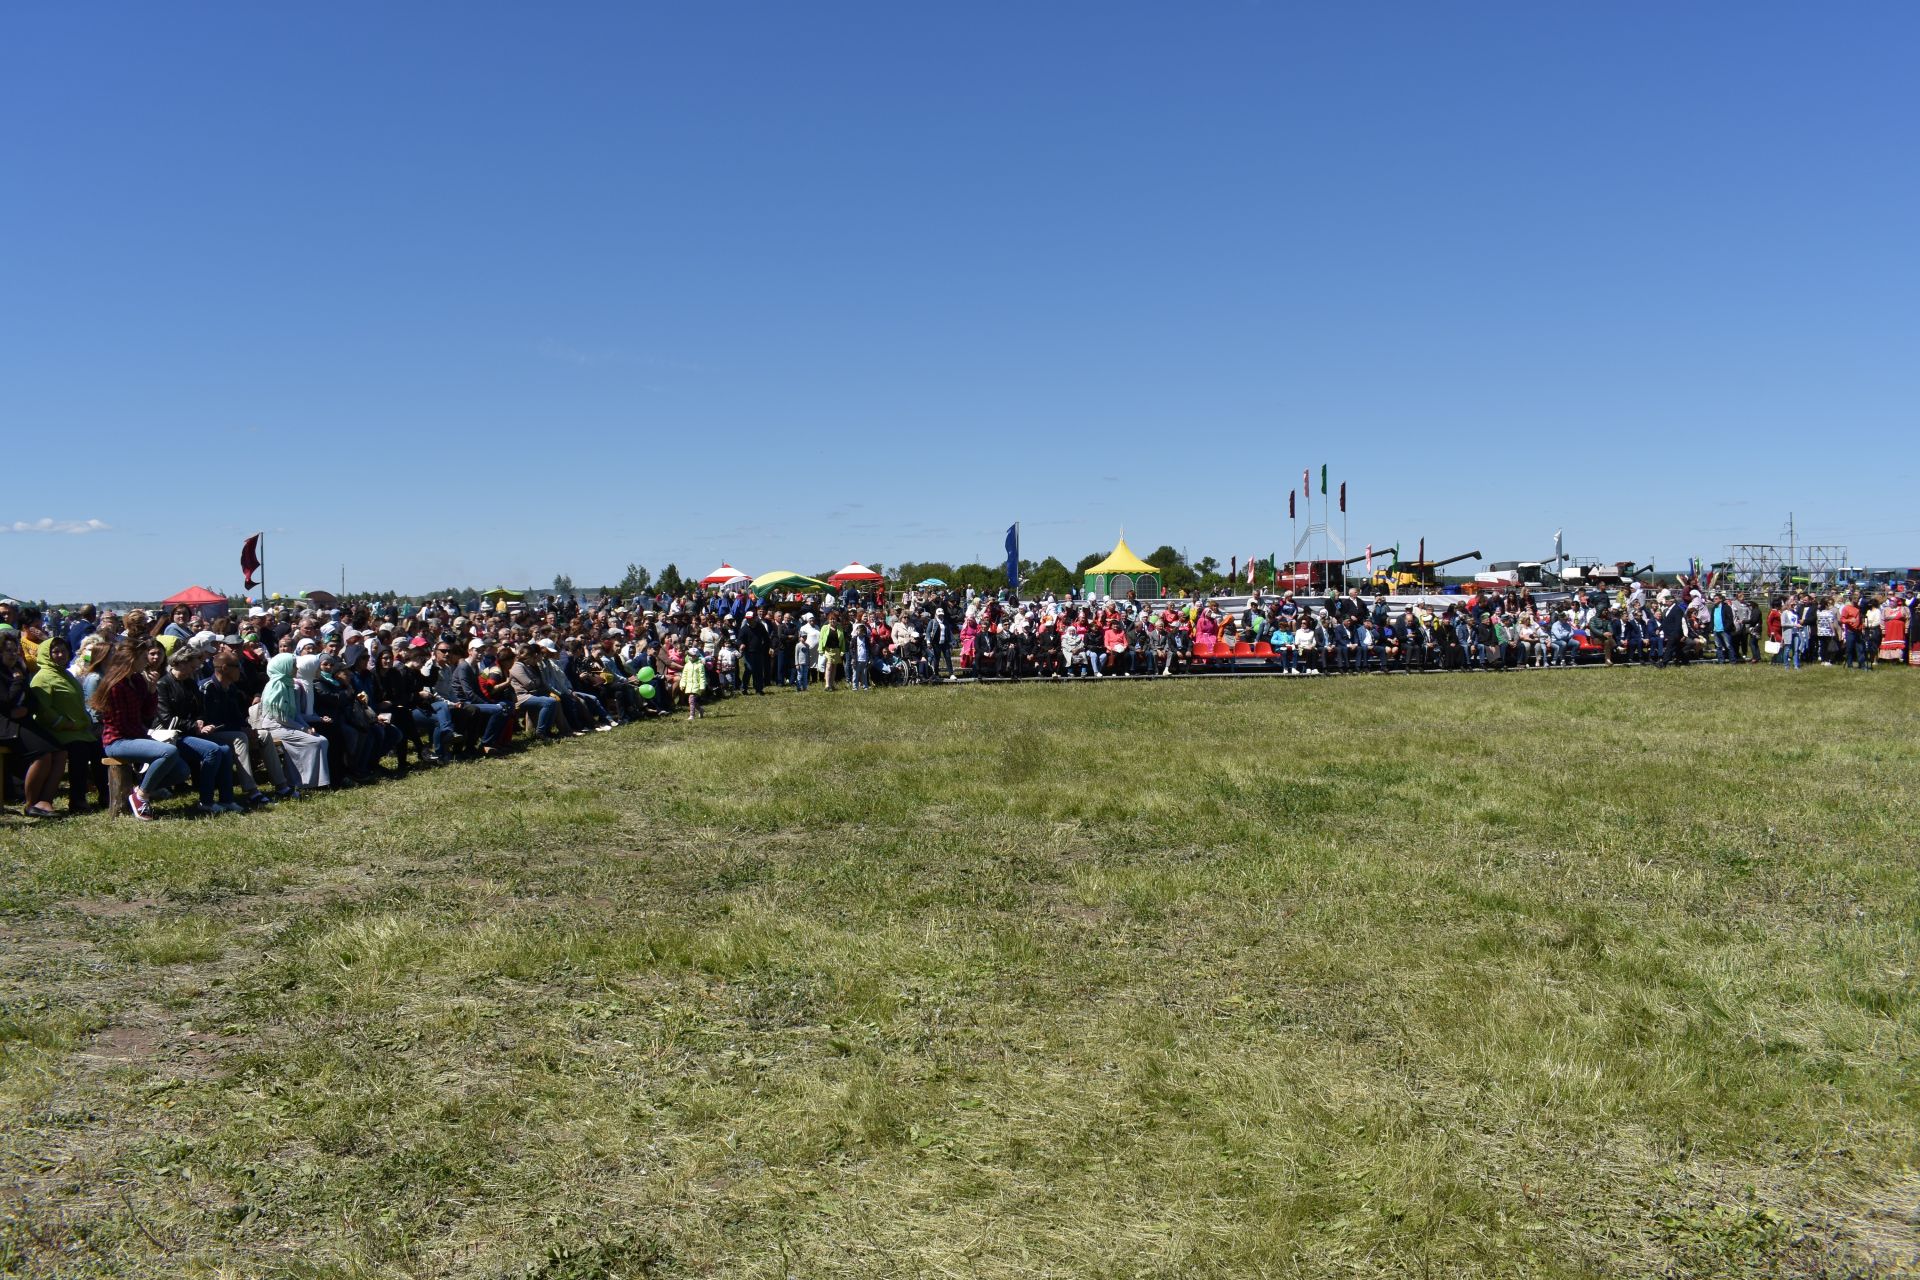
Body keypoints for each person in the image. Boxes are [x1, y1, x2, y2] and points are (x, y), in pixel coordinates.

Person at [91, 641, 237, 818]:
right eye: (144, 657)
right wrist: (146, 739)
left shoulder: (137, 680)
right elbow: (120, 724)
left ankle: (139, 789)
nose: (147, 661)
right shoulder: (116, 685)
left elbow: (147, 714)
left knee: (182, 771)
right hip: (117, 740)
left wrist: (151, 691)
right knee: (168, 751)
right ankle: (141, 796)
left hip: (137, 736)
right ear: (132, 659)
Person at [2, 628, 64, 817]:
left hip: (23, 720)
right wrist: (18, 682)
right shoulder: (9, 675)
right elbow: (4, 702)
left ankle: (45, 800)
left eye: (15, 651)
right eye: (8, 651)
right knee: (42, 754)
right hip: (5, 725)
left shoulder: (17, 670)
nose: (13, 655)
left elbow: (32, 699)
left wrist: (27, 708)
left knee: (60, 752)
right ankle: (31, 804)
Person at [254, 652, 331, 793]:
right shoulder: (276, 686)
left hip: (288, 725)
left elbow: (294, 713)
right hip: (275, 726)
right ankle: (300, 781)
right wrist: (302, 728)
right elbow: (279, 717)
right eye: (293, 665)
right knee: (315, 742)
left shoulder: (289, 684)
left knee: (322, 740)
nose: (296, 668)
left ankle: (313, 781)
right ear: (284, 667)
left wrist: (307, 727)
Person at [679, 639, 708, 720]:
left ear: (696, 656)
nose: (690, 657)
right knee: (692, 701)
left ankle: (692, 715)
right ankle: (701, 710)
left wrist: (702, 686)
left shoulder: (700, 665)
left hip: (696, 686)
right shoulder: (687, 665)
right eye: (689, 655)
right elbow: (684, 676)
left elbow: (702, 676)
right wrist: (682, 684)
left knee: (691, 700)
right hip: (689, 685)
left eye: (692, 655)